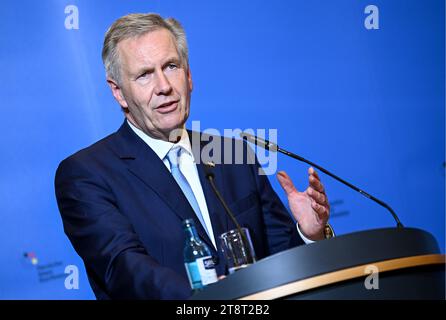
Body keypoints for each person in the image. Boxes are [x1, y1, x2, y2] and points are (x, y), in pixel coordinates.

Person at [54, 13, 332, 300]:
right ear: (119, 92)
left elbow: (281, 264)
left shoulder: (232, 155)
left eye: (171, 66)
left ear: (188, 76)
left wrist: (308, 234)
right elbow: (126, 271)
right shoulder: (86, 174)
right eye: (144, 75)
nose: (163, 86)